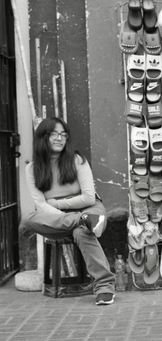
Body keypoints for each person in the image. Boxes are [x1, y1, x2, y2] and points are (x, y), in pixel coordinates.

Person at [20, 117, 116, 305]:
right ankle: (84, 220)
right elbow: (40, 204)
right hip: (70, 218)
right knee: (27, 219)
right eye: (54, 134)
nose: (59, 138)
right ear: (42, 137)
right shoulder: (32, 168)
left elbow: (88, 198)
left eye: (63, 135)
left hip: (90, 209)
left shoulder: (77, 159)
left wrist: (57, 204)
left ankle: (105, 287)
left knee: (82, 231)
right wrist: (74, 218)